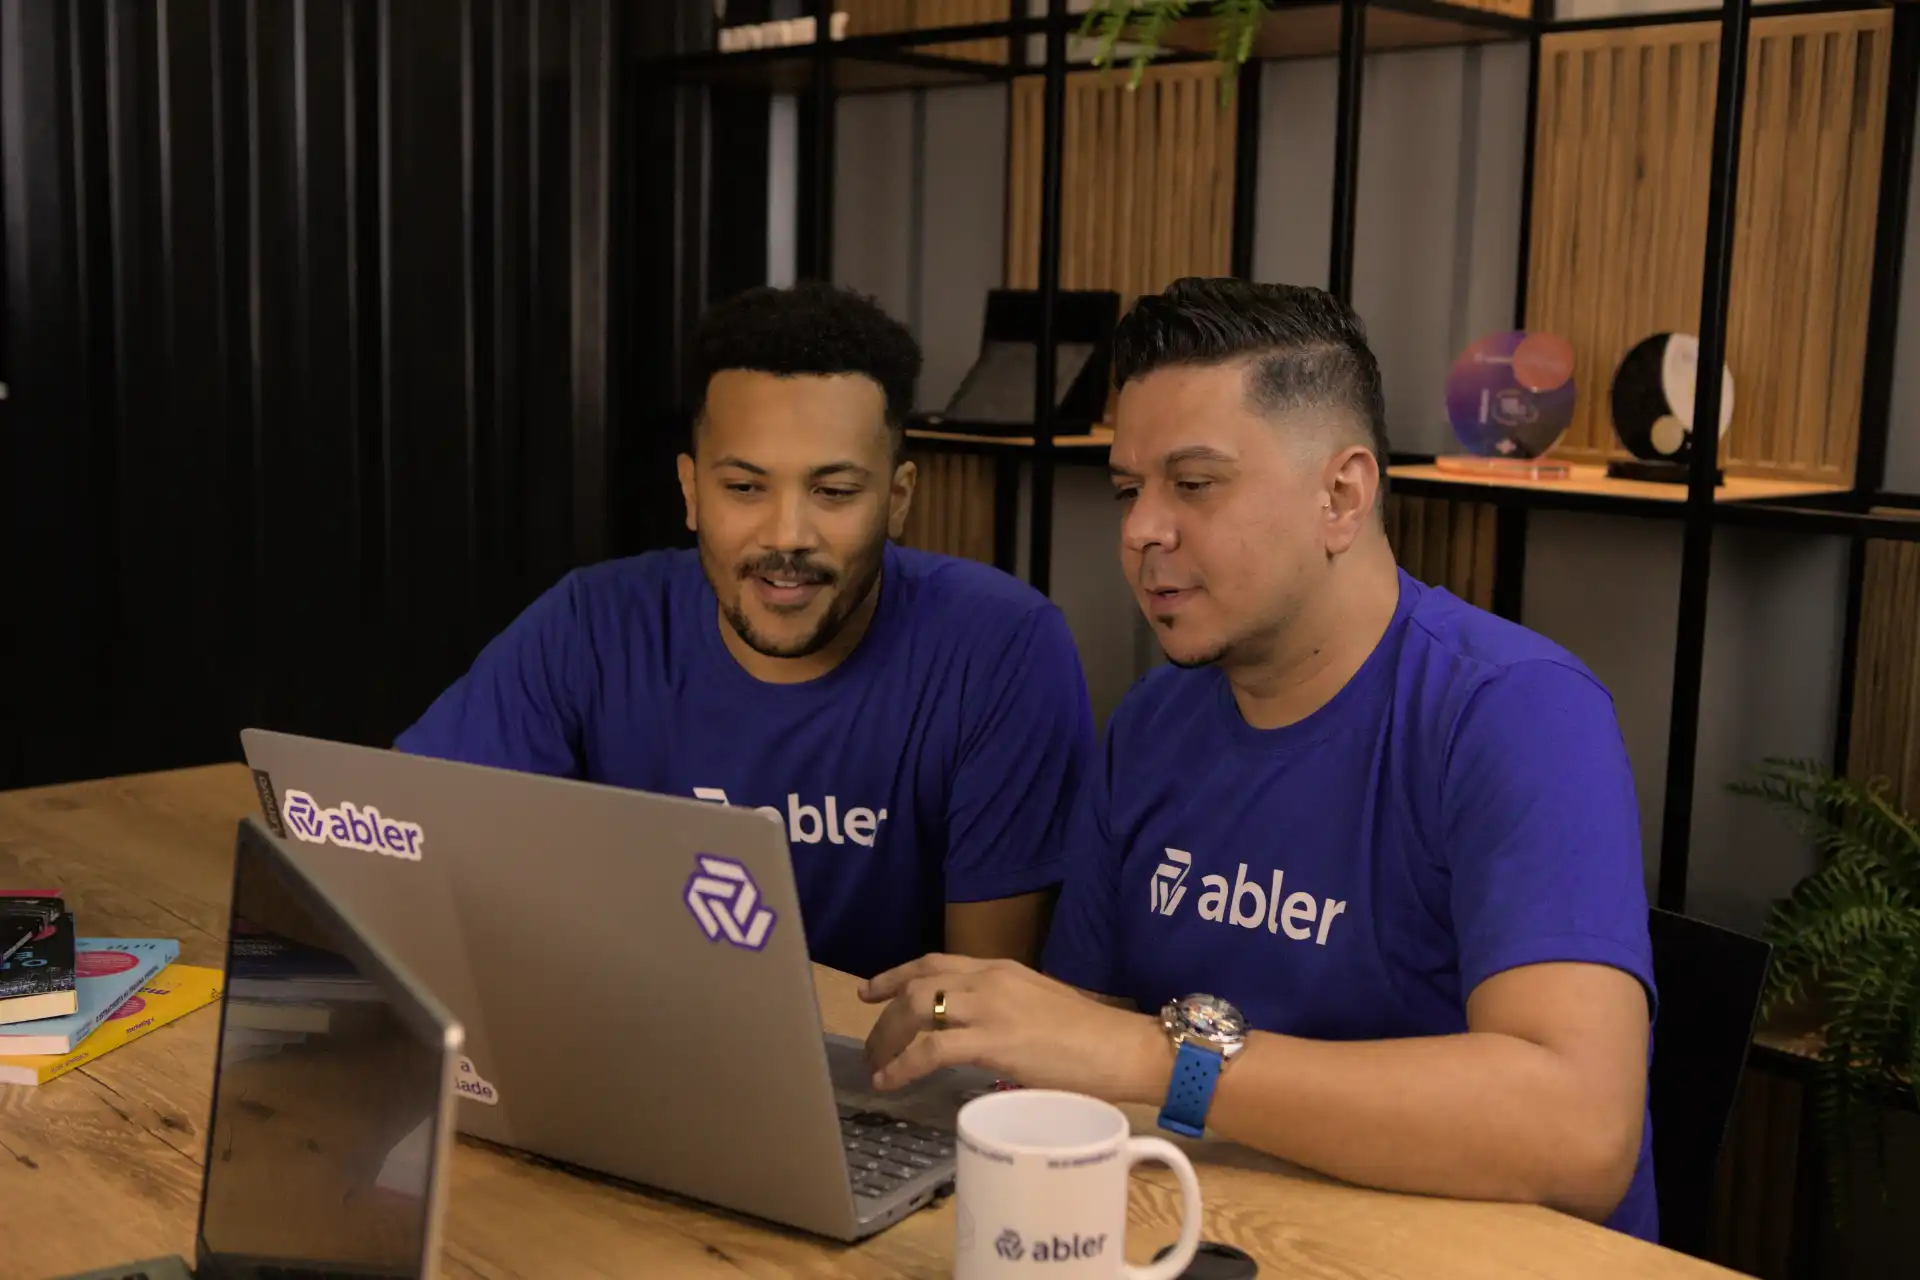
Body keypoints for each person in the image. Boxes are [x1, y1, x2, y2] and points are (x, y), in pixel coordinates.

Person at [856, 278, 1659, 1241]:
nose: (1142, 529)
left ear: (1341, 495)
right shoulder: (1154, 723)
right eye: (1128, 490)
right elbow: (1085, 1043)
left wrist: (1163, 1058)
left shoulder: (1517, 713)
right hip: (1224, 1229)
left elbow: (1581, 1137)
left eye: (1193, 485)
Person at [394, 280, 1095, 979]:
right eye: (744, 488)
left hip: (886, 1081)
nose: (786, 535)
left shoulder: (1002, 648)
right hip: (628, 1053)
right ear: (692, 491)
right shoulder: (588, 625)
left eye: (835, 492)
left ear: (899, 498)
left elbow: (987, 1007)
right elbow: (407, 845)